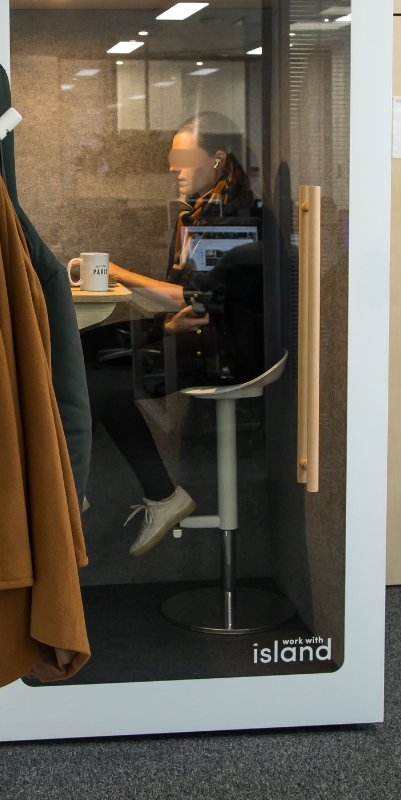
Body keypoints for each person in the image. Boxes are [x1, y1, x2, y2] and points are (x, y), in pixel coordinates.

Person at [87, 112, 261, 558]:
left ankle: (78, 490)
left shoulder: (232, 217)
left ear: (218, 160)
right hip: (199, 330)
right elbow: (189, 298)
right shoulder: (201, 212)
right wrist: (163, 317)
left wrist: (119, 275)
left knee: (97, 379)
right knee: (82, 348)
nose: (173, 168)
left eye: (184, 158)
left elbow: (196, 304)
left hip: (223, 351)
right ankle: (133, 493)